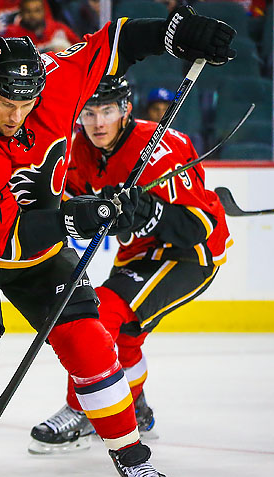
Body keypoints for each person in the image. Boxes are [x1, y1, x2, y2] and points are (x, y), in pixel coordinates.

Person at [0, 7, 235, 477]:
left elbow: (117, 41)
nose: (16, 115)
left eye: (25, 102)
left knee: (91, 343)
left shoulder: (57, 79)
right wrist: (77, 216)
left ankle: (131, 454)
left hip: (40, 249)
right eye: (4, 102)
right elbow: (4, 241)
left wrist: (178, 31)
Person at [32, 76, 231, 451]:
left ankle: (82, 411)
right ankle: (135, 408)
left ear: (125, 109)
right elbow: (65, 207)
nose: (98, 122)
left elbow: (197, 228)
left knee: (102, 313)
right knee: (126, 333)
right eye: (89, 112)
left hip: (190, 256)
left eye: (107, 110)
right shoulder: (76, 152)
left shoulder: (162, 148)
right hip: (139, 254)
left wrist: (151, 212)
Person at [2, 0, 79, 53]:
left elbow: (79, 48)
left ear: (44, 11)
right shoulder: (11, 34)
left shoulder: (59, 28)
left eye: (37, 10)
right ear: (21, 12)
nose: (32, 15)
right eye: (28, 11)